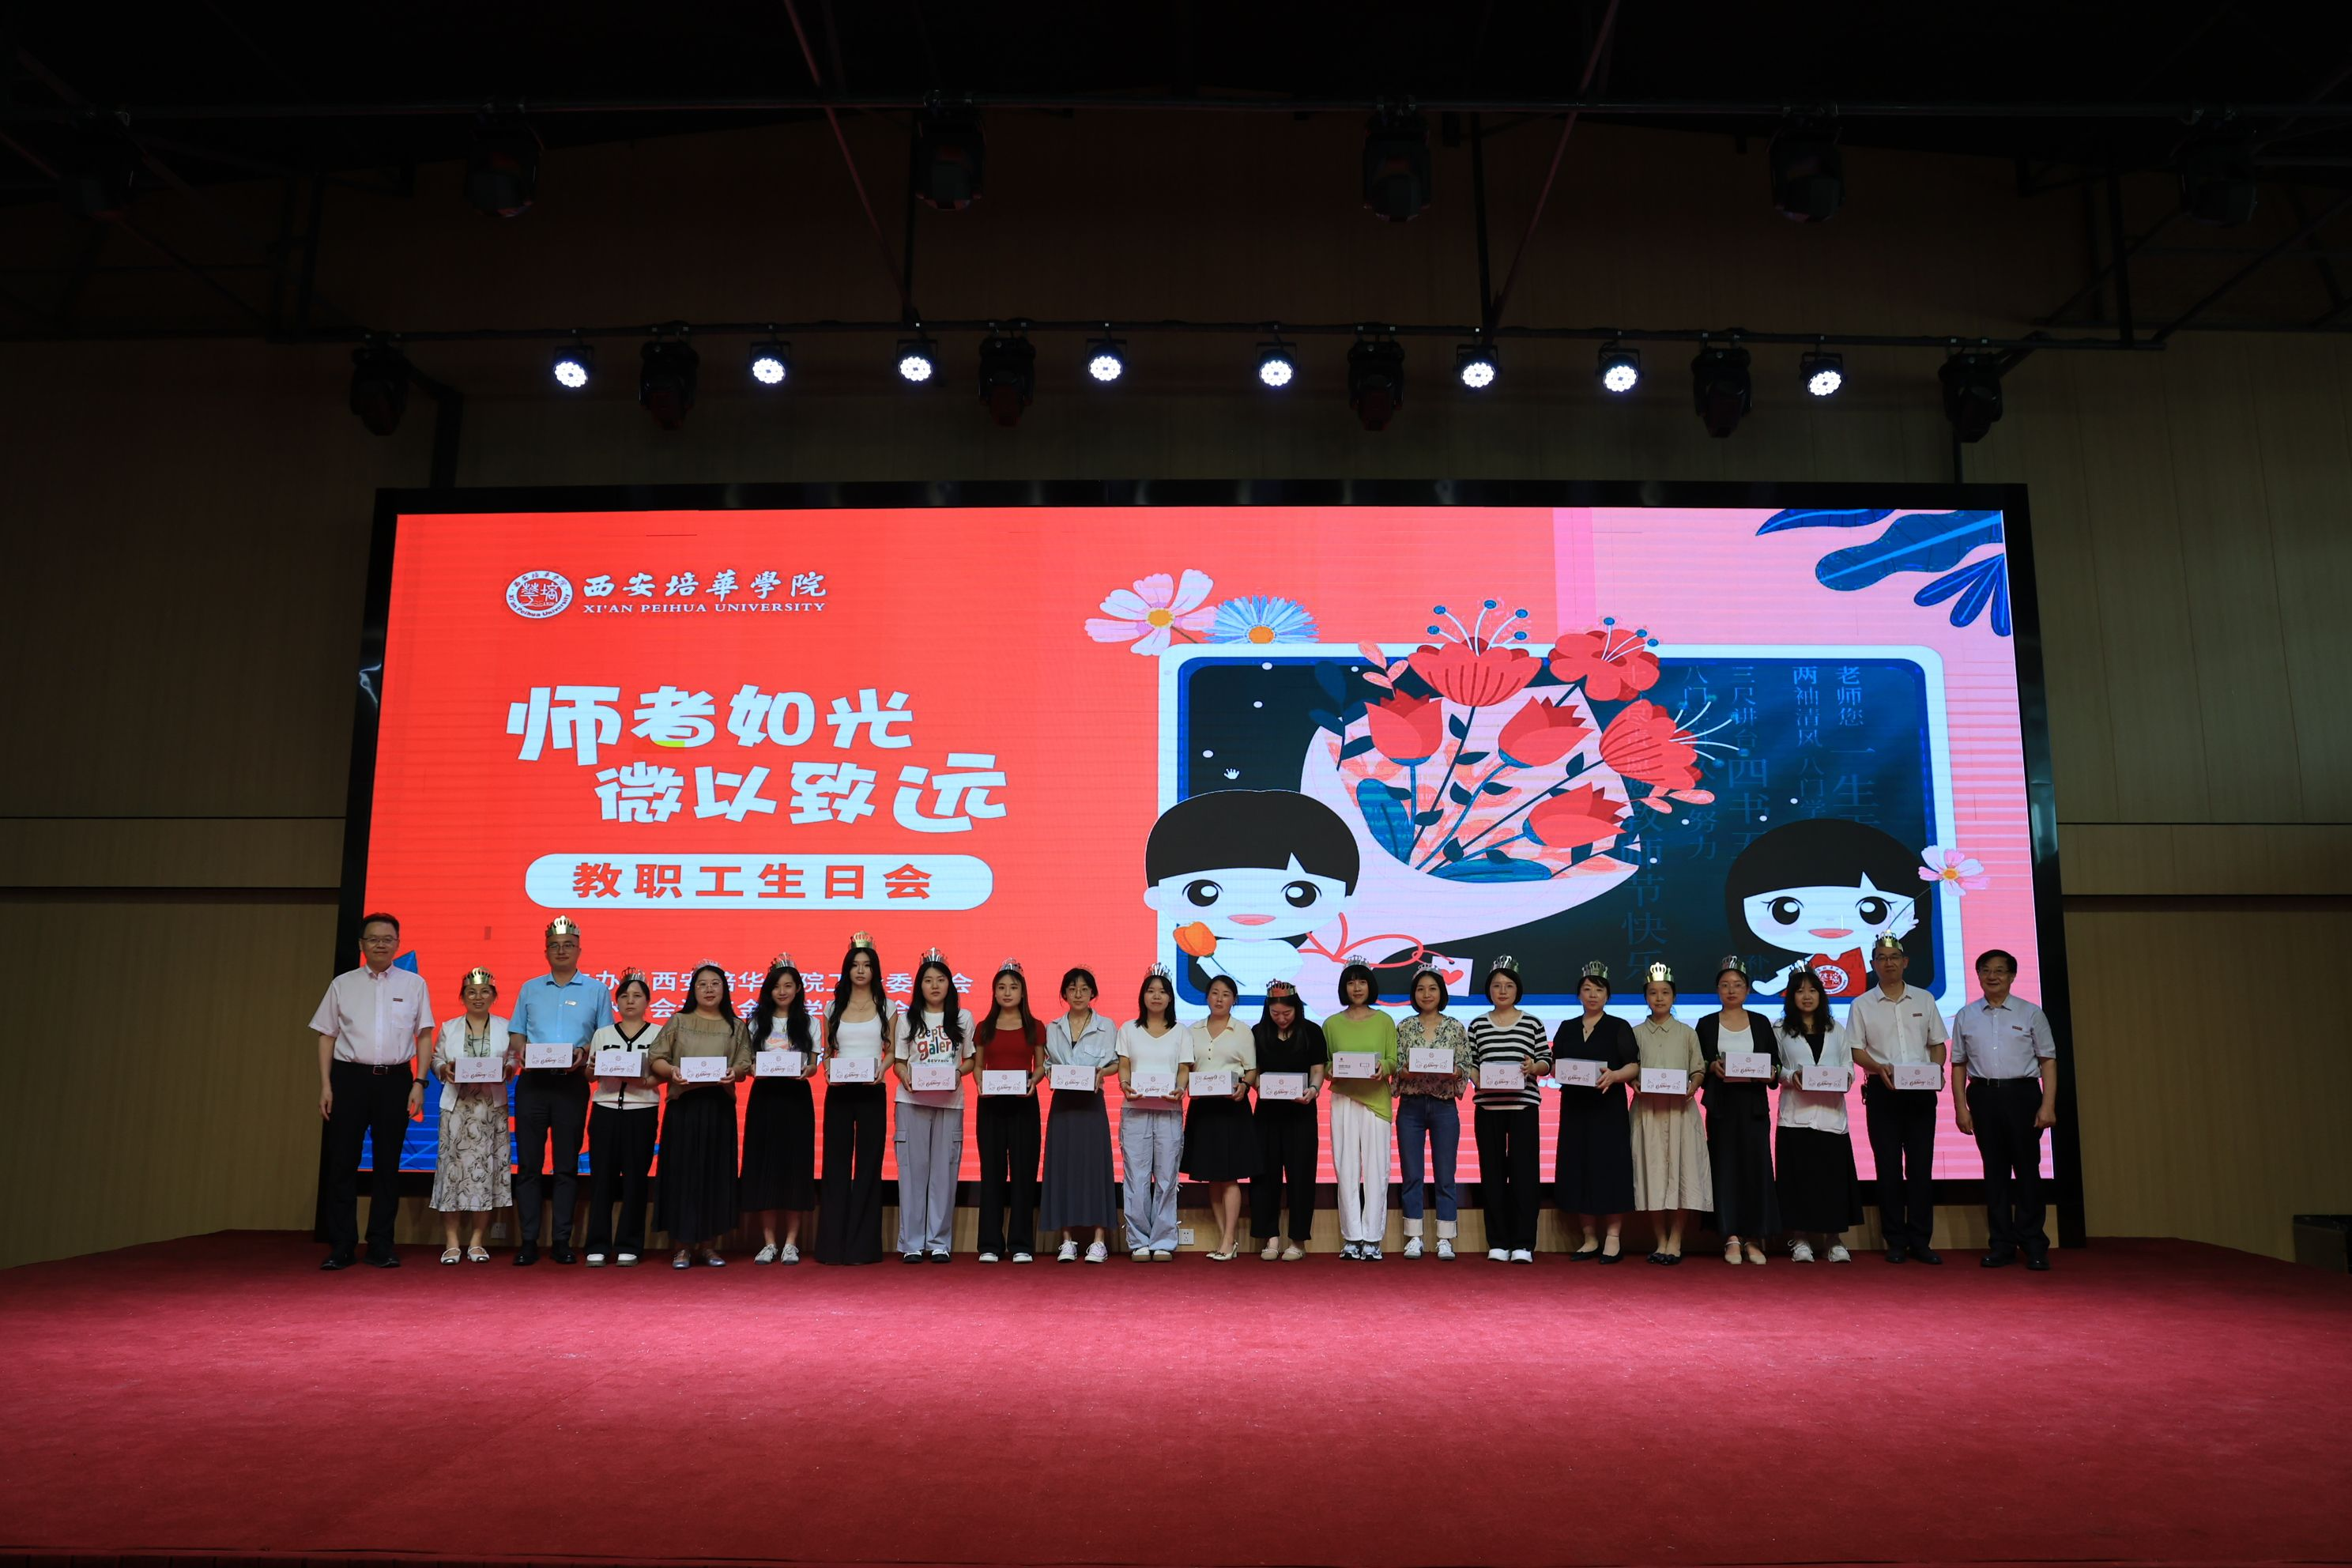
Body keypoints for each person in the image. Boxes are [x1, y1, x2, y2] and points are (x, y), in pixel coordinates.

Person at [309, 911, 434, 1270]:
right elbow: (327, 1036)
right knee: (342, 1163)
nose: (381, 944)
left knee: (387, 1165)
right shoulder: (343, 984)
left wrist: (420, 1082)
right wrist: (326, 1085)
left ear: (398, 943)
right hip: (349, 1079)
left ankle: (381, 1244)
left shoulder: (414, 984)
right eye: (374, 939)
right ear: (362, 944)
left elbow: (425, 1035)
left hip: (396, 1080)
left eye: (388, 939)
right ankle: (342, 1245)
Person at [507, 917, 612, 1265]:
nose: (562, 951)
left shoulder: (596, 990)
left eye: (568, 945)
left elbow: (604, 1038)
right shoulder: (530, 988)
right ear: (546, 952)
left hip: (571, 1083)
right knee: (529, 1166)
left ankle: (562, 1241)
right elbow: (517, 1033)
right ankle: (528, 1242)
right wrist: (521, 1052)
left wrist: (584, 1053)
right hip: (533, 1084)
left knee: (566, 1165)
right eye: (555, 945)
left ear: (579, 950)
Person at [1949, 948, 2060, 1271]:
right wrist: (1961, 1108)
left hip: (2023, 1095)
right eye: (1986, 970)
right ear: (1978, 975)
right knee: (1994, 1173)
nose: (1992, 976)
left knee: (2027, 1171)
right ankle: (2001, 1245)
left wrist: (2048, 1105)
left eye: (1999, 970)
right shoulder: (1966, 1015)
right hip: (1983, 1096)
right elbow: (1958, 1064)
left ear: (2012, 976)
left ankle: (2034, 1244)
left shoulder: (2031, 1013)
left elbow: (2048, 1061)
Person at [1848, 933, 1950, 1265]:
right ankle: (1894, 1240)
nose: (1888, 963)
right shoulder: (1861, 1004)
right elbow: (1855, 1050)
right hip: (1883, 1092)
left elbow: (1937, 1044)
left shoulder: (1925, 999)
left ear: (1905, 962)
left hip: (1921, 1093)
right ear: (1873, 964)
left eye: (1894, 957)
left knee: (1921, 1168)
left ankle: (1921, 1241)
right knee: (1887, 1168)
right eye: (1881, 958)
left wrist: (1936, 1070)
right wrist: (1878, 1068)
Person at [650, 963, 752, 1266]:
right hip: (684, 1106)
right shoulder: (679, 1021)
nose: (709, 989)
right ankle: (682, 1246)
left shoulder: (736, 1026)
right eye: (702, 984)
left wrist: (735, 1072)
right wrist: (672, 1071)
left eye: (715, 983)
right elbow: (656, 1057)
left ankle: (709, 1246)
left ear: (725, 989)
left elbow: (745, 1062)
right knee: (682, 1174)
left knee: (714, 1175)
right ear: (693, 990)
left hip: (718, 1108)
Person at [1773, 967, 1862, 1262]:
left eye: (1813, 990)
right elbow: (1775, 1069)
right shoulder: (1780, 1029)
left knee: (1832, 1181)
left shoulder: (1836, 1029)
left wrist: (1846, 1078)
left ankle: (1834, 1240)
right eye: (1800, 991)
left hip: (1831, 1118)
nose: (1807, 996)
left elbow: (1848, 1065)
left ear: (1821, 995)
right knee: (1798, 1181)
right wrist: (1790, 1076)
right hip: (1795, 1118)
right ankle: (1799, 1240)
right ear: (1791, 996)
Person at [1551, 961, 1638, 1262]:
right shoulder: (1567, 1027)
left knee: (1610, 1167)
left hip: (1607, 1108)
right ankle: (1589, 1238)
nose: (1592, 995)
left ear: (1607, 995)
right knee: (1578, 1167)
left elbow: (1634, 1065)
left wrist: (1615, 1075)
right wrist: (1558, 1070)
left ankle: (1613, 1237)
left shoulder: (1619, 1026)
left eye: (1598, 990)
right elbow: (1555, 1064)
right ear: (1579, 995)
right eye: (1587, 989)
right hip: (1575, 1108)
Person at [1696, 957, 1779, 1266]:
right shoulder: (1706, 1023)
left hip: (1753, 1106)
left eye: (1738, 985)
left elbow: (1775, 1062)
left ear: (1747, 989)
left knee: (1756, 1169)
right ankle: (1730, 1236)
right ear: (1717, 990)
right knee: (1724, 1168)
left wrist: (1771, 1072)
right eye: (1725, 985)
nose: (1731, 990)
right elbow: (1698, 1063)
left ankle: (1755, 1237)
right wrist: (1710, 1067)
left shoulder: (1761, 1022)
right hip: (1722, 1106)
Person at [816, 933, 892, 1265]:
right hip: (840, 1092)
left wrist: (882, 1070)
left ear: (875, 970)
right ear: (847, 970)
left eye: (867, 965)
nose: (861, 971)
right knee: (835, 1164)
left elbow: (892, 1051)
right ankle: (832, 1247)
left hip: (872, 1090)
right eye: (855, 965)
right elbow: (826, 1051)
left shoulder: (888, 1007)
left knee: (868, 1166)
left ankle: (863, 1247)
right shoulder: (832, 1007)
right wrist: (827, 1069)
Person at [892, 951, 974, 1262]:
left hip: (950, 1103)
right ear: (919, 986)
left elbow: (970, 1060)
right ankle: (912, 1243)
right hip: (911, 1101)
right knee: (912, 1173)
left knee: (945, 1173)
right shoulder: (907, 1019)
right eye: (928, 980)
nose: (935, 986)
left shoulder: (963, 1018)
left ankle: (939, 1242)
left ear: (950, 985)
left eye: (941, 980)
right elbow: (899, 1062)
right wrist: (905, 1076)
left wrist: (957, 1073)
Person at [428, 967, 513, 1264]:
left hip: (491, 1109)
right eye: (471, 992)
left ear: (494, 996)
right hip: (457, 1109)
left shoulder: (506, 1027)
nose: (478, 997)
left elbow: (515, 1058)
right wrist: (443, 1069)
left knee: (487, 1172)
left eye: (485, 992)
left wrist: (510, 1069)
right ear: (462, 997)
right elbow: (436, 1059)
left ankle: (477, 1241)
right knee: (451, 1173)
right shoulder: (449, 1027)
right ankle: (452, 1241)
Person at [1629, 963, 1711, 1265]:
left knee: (1682, 1174)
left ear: (1674, 996)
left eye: (1665, 992)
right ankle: (1660, 1239)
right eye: (1653, 993)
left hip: (1680, 1112)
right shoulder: (1635, 1033)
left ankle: (1676, 1239)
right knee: (1651, 1175)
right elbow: (1630, 1069)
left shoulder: (1687, 1033)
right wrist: (1633, 1083)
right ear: (1646, 997)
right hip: (1647, 1113)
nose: (1659, 998)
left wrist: (1693, 1085)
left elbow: (1699, 1069)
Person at [1470, 957, 1550, 1264]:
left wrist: (1534, 1067)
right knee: (1491, 1175)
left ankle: (1523, 1243)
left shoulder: (1532, 1023)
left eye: (1509, 986)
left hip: (1523, 1107)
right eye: (1497, 986)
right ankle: (1498, 1242)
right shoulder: (1477, 1024)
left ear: (1518, 990)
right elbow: (1470, 1063)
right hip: (1488, 1108)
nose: (1502, 991)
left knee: (1524, 1174)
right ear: (1488, 990)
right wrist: (1478, 1078)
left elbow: (1546, 1061)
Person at [741, 956, 820, 1265]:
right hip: (765, 1097)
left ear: (798, 988)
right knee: (765, 1166)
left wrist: (808, 1071)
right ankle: (769, 1243)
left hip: (796, 1097)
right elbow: (748, 1062)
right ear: (769, 990)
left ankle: (791, 1243)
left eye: (789, 985)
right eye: (777, 987)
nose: (783, 991)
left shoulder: (810, 1023)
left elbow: (813, 1064)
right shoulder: (755, 1022)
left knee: (795, 1168)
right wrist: (753, 1070)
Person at [1041, 967, 1121, 1262]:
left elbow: (1116, 1063)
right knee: (1062, 1166)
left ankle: (1099, 1241)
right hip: (1063, 1105)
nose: (1078, 994)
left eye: (1084, 989)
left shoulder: (1107, 1026)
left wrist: (1102, 1073)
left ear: (1093, 994)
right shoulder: (1052, 1028)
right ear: (1064, 993)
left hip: (1091, 1105)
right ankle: (1067, 1241)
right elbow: (1047, 1064)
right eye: (1072, 988)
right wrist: (1051, 1073)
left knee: (1095, 1167)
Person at [1393, 963, 1471, 1260]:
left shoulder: (1455, 1027)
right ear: (1414, 994)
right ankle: (1414, 1236)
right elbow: (1396, 1067)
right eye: (1421, 989)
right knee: (1412, 1174)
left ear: (1442, 993)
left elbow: (1465, 1064)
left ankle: (1445, 1238)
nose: (1427, 994)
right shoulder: (1404, 1027)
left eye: (1433, 988)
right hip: (1411, 1107)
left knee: (1445, 1175)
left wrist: (1456, 1072)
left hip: (1443, 1106)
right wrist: (1405, 1072)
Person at [583, 969, 661, 1266]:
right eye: (625, 996)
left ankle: (630, 1244)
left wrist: (646, 1081)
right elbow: (590, 1075)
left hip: (641, 1112)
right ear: (616, 1002)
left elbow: (663, 1073)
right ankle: (598, 1244)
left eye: (637, 996)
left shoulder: (658, 1033)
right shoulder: (603, 1034)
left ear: (648, 1002)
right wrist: (593, 1068)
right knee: (602, 1179)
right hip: (605, 1111)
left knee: (636, 1180)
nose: (630, 1001)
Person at [1116, 965, 1193, 1261]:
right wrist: (1125, 1085)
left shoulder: (1181, 1031)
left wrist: (1181, 1088)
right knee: (1135, 1178)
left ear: (1170, 998)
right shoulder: (1128, 1029)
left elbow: (1184, 1068)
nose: (1156, 996)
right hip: (1135, 1111)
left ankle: (1163, 1240)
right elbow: (1124, 1065)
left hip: (1169, 1111)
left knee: (1166, 1178)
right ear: (1143, 996)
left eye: (1162, 991)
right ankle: (1138, 1241)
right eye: (1151, 991)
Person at [1323, 962, 1399, 1260]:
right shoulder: (1331, 1024)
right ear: (1344, 988)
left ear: (1370, 986)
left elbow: (1393, 1060)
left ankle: (1373, 1238)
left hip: (1376, 1102)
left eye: (1362, 982)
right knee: (1346, 1168)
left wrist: (1384, 1067)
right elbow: (1325, 1064)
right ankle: (1352, 1237)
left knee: (1377, 1170)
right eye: (1351, 982)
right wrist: (1331, 1070)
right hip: (1343, 1098)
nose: (1357, 988)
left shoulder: (1385, 1021)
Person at [1179, 974, 1258, 1259]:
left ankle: (1228, 1239)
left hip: (1232, 1108)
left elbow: (1251, 1070)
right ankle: (1227, 1240)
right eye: (1214, 993)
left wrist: (1245, 1086)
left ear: (1234, 999)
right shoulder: (1192, 1030)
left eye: (1226, 994)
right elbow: (1187, 1068)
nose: (1220, 999)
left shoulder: (1243, 1031)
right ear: (1207, 997)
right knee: (1212, 1176)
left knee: (1230, 1176)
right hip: (1203, 1109)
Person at [1250, 981, 1327, 1261]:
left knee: (1301, 1176)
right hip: (1267, 1115)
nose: (1281, 1018)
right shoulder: (1258, 1033)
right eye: (1275, 1014)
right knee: (1265, 1175)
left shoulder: (1312, 1032)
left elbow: (1318, 1069)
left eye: (1287, 1013)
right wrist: (1260, 1086)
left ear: (1297, 1008)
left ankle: (1298, 1240)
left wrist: (1314, 1090)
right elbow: (1253, 1070)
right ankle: (1270, 1237)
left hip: (1301, 1114)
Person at [974, 961, 1045, 1264]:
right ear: (994, 992)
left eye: (1013, 987)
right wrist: (980, 1084)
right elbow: (978, 1065)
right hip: (990, 1104)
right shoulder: (984, 1027)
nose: (1007, 992)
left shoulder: (1035, 1026)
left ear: (1022, 992)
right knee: (991, 1173)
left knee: (1023, 1174)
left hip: (1024, 1103)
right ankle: (990, 1244)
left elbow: (1040, 1066)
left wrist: (1033, 1081)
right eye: (1001, 987)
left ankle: (1021, 1244)